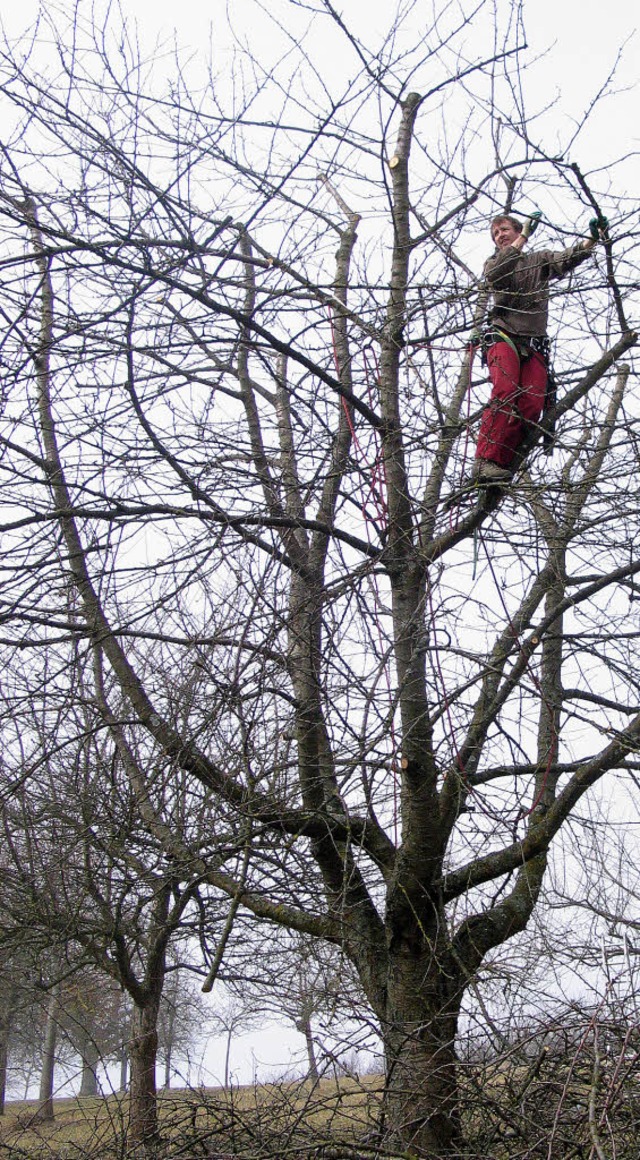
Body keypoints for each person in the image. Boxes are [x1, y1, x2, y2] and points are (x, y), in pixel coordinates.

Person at [472, 210, 609, 484]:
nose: (500, 235)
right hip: (503, 336)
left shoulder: (538, 260)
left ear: (516, 228)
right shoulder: (496, 262)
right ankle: (484, 461)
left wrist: (591, 239)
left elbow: (565, 259)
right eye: (496, 233)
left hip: (534, 343)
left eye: (504, 230)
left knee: (532, 406)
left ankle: (503, 463)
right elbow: (495, 276)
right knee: (505, 391)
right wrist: (522, 237)